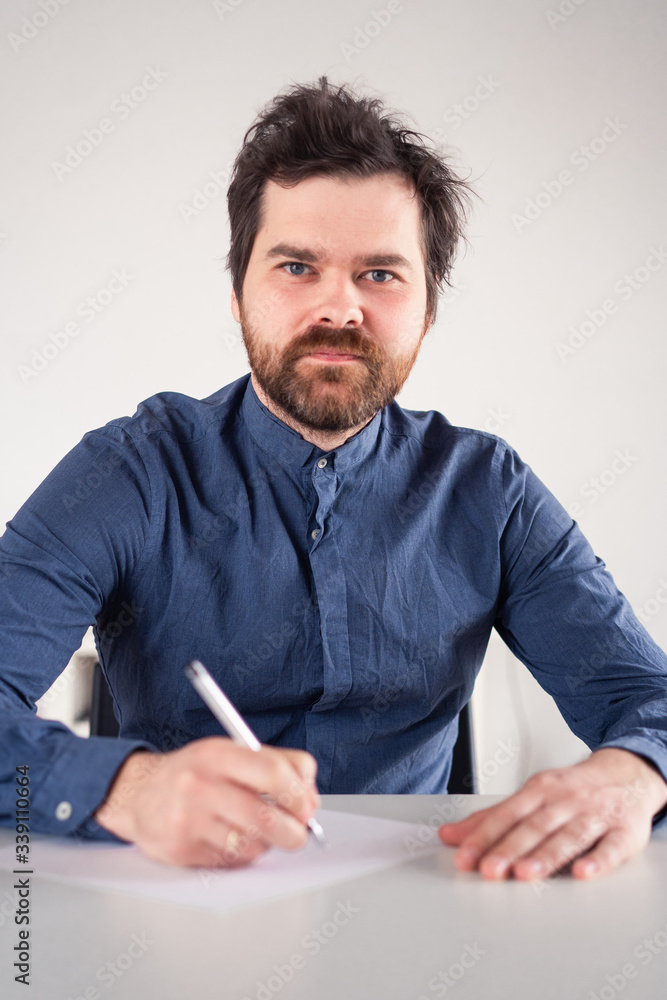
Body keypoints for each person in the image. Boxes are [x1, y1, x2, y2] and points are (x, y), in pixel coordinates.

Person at [1, 77, 666, 882]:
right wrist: (126, 788)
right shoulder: (127, 473)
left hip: (426, 912)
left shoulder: (490, 490)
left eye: (380, 274)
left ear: (427, 308)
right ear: (239, 289)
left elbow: (645, 697)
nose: (338, 308)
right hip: (175, 910)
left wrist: (637, 773)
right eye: (296, 266)